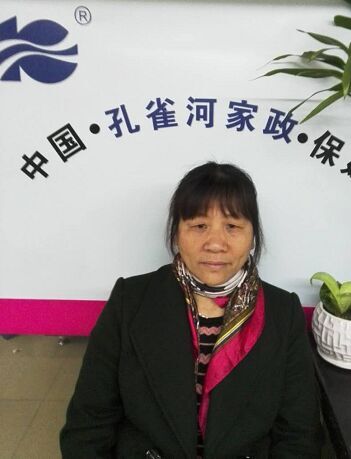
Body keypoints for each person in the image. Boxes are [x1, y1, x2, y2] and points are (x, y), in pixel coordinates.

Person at [60, 161, 322, 458]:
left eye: (232, 227)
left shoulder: (282, 312)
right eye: (199, 226)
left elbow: (298, 435)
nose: (215, 244)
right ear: (176, 233)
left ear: (252, 236)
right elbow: (89, 424)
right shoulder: (130, 300)